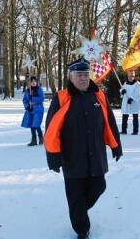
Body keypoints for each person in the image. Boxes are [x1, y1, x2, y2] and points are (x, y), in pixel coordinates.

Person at [44, 58, 122, 239]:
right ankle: (81, 229)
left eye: (86, 74)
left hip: (95, 154)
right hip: (73, 157)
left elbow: (109, 122)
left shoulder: (99, 96)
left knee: (99, 186)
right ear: (71, 78)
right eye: (79, 75)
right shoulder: (62, 98)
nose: (83, 78)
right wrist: (53, 156)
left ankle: (77, 210)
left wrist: (116, 146)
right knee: (76, 194)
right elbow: (52, 130)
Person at [21, 76, 45, 146]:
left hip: (38, 109)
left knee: (36, 123)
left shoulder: (39, 89)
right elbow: (25, 100)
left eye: (34, 81)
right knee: (31, 124)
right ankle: (34, 139)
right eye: (32, 81)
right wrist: (27, 106)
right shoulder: (28, 91)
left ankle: (41, 137)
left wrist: (33, 99)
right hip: (30, 110)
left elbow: (41, 98)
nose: (33, 82)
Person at [119, 71, 140, 135]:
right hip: (126, 102)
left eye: (132, 76)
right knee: (124, 116)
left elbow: (138, 92)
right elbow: (122, 89)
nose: (130, 78)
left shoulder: (137, 84)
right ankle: (124, 130)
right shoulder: (125, 83)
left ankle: (135, 131)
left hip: (134, 102)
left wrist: (132, 98)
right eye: (129, 76)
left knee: (135, 116)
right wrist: (122, 92)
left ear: (134, 76)